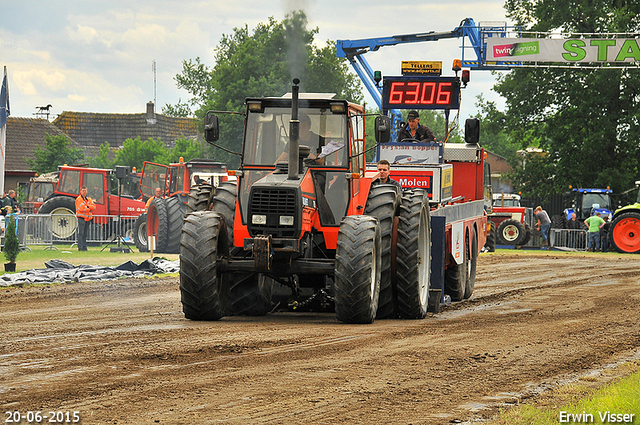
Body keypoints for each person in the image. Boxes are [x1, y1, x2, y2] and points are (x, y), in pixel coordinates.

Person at [75, 185, 96, 251]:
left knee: (85, 234)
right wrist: (89, 208)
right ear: (80, 191)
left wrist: (87, 207)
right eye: (83, 191)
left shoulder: (89, 199)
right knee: (81, 233)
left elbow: (94, 207)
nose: (84, 192)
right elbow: (82, 208)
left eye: (85, 191)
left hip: (88, 219)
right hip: (81, 218)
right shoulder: (79, 199)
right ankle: (80, 247)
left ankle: (84, 247)